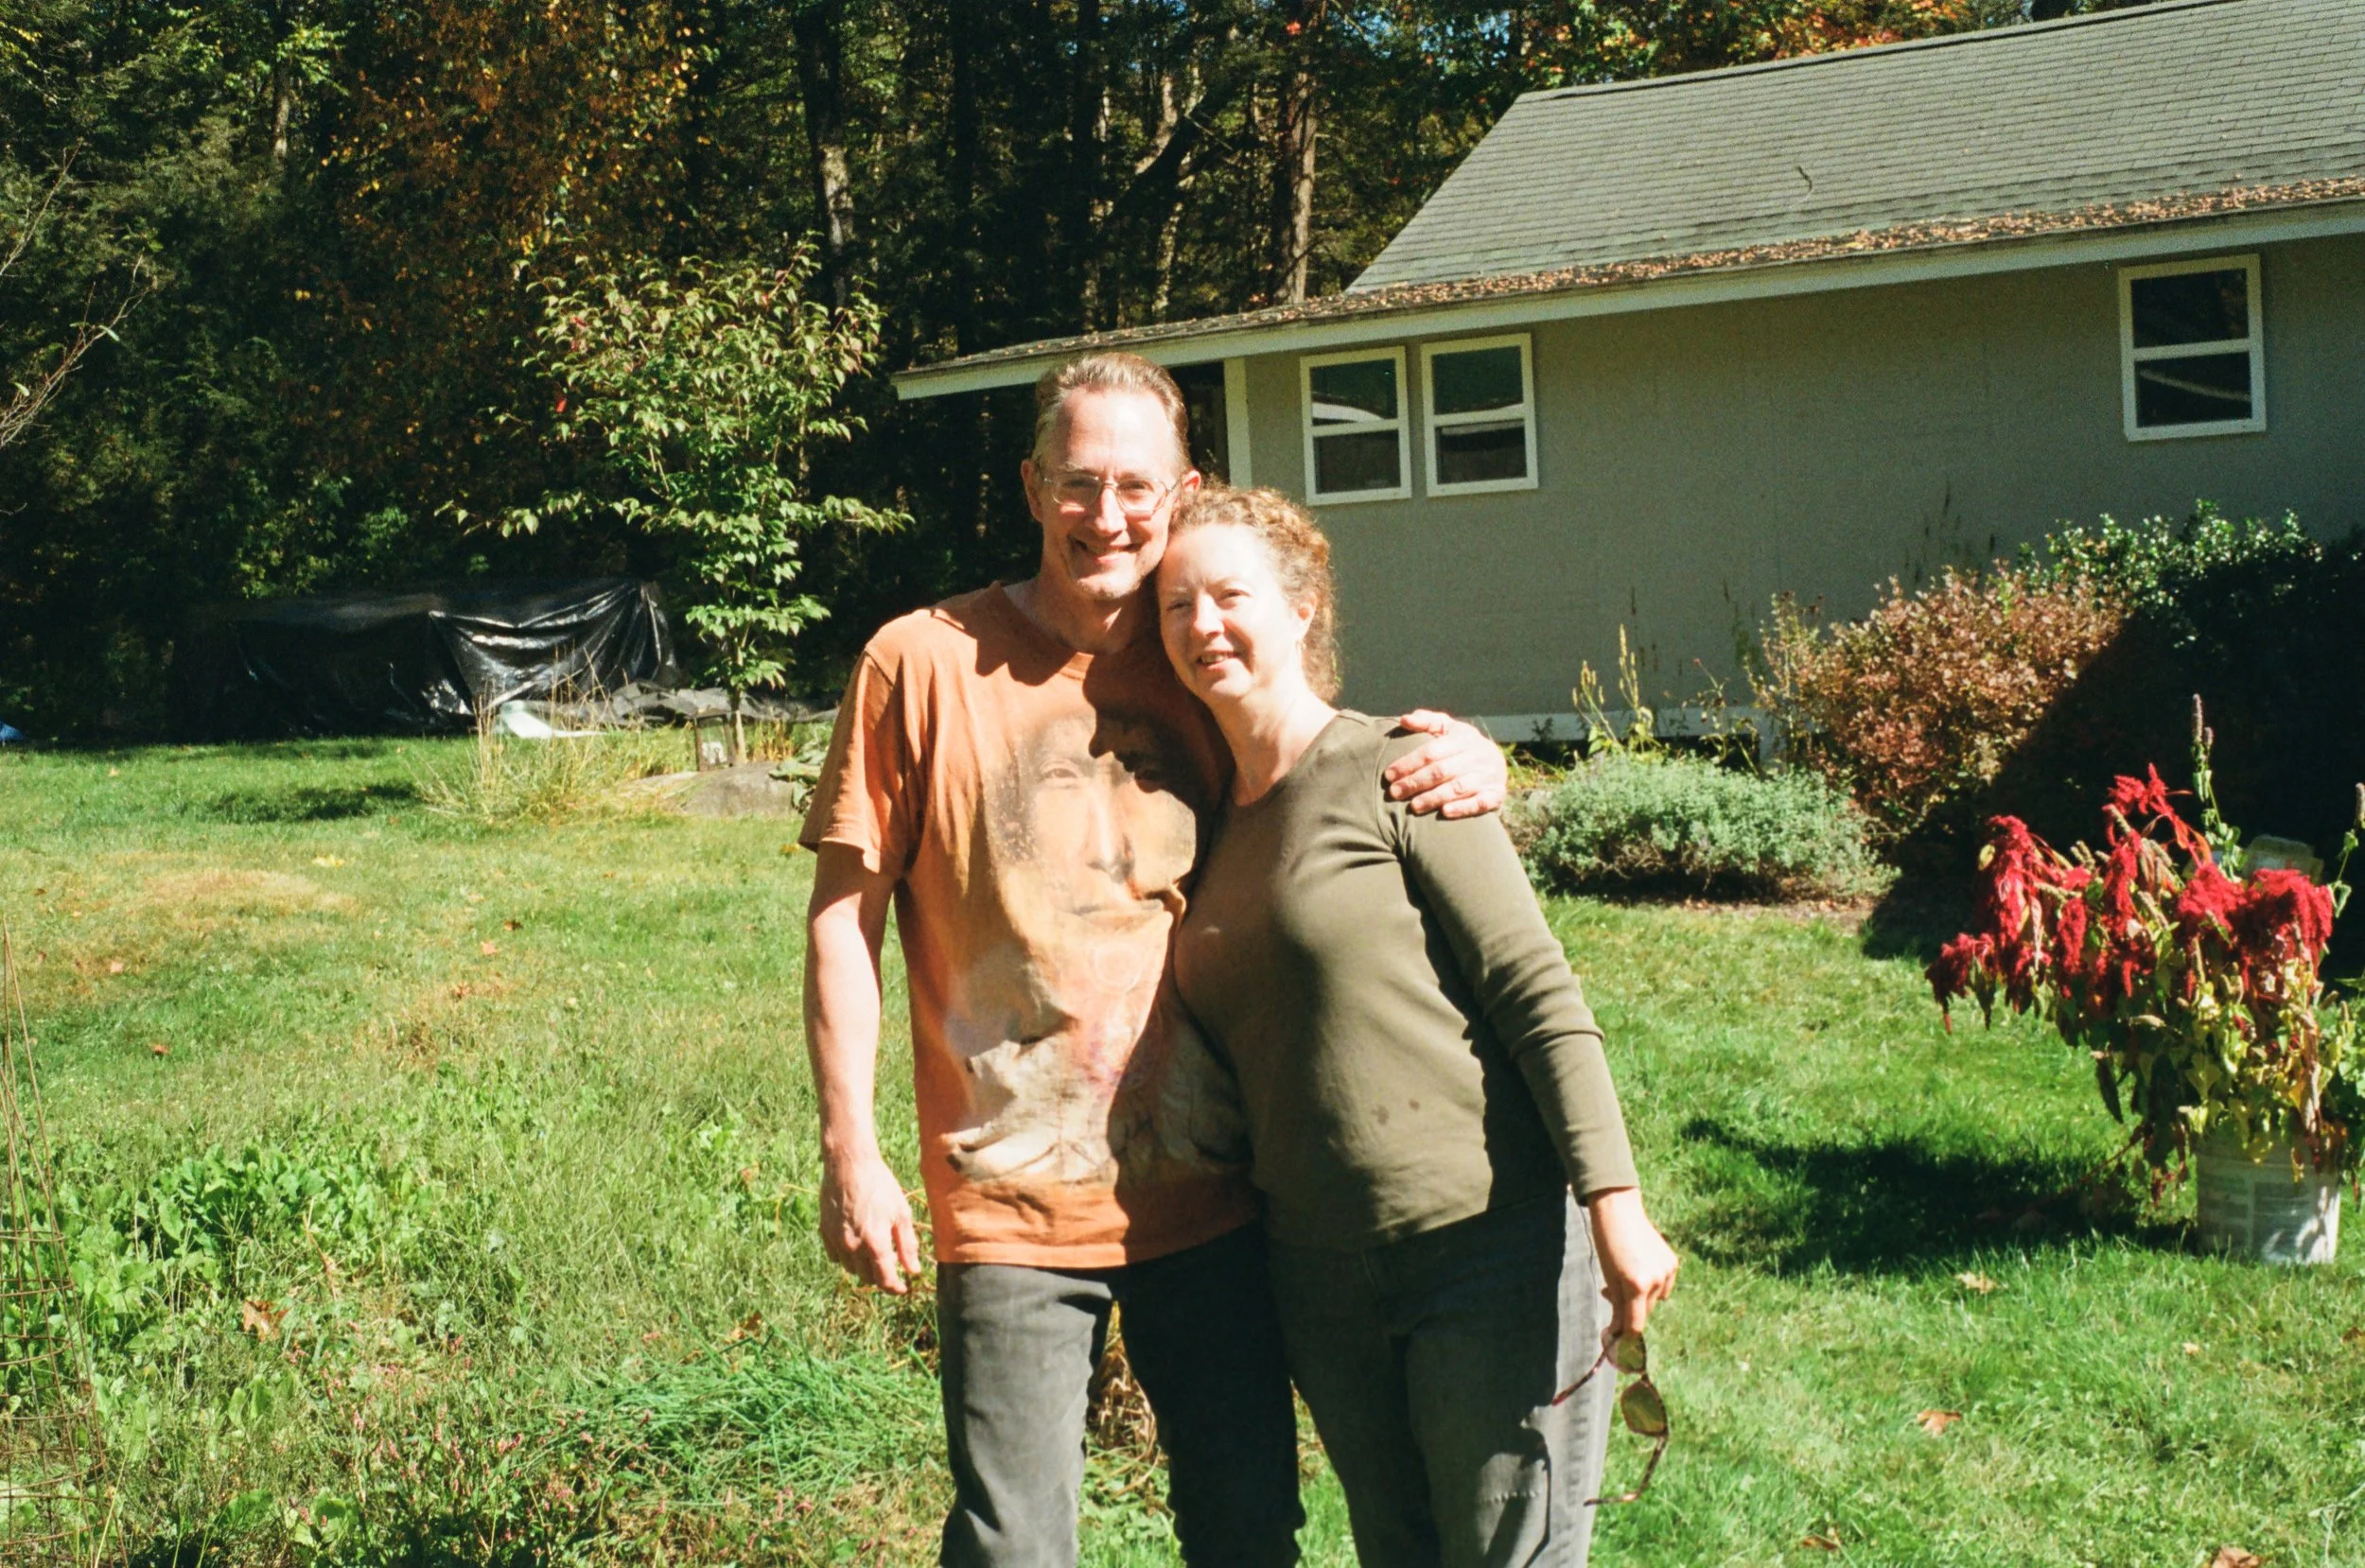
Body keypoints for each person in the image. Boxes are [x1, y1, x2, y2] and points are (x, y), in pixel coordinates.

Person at [797, 352, 1511, 1568]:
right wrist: (850, 1151)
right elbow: (840, 918)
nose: (1108, 515)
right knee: (1014, 1542)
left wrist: (1474, 759)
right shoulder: (919, 663)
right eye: (1080, 483)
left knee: (1246, 1534)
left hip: (1225, 1196)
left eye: (1139, 485)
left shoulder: (1203, 660)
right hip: (1012, 1197)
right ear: (1032, 488)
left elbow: (1329, 778)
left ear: (1180, 496)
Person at [1156, 484, 1681, 1568]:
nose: (1201, 624)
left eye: (1229, 594)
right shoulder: (1202, 824)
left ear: (1302, 609)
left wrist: (1615, 1206)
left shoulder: (1401, 766)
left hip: (1482, 1249)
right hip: (1318, 1277)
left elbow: (1537, 992)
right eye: (1175, 604)